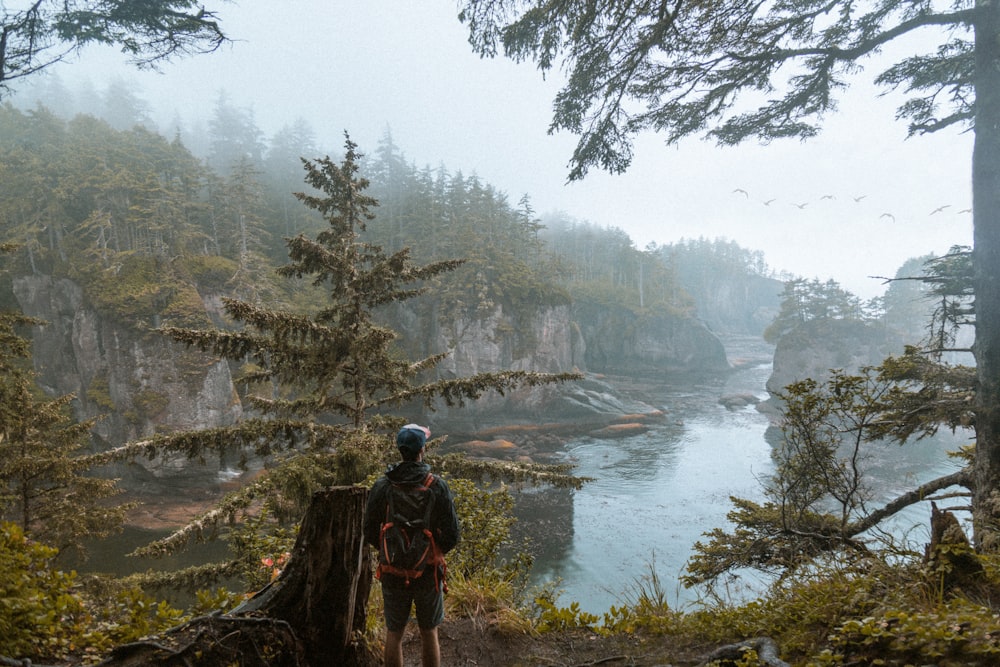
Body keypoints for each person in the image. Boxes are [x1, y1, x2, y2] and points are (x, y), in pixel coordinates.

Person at [363, 424, 460, 667]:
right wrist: (431, 550)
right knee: (429, 631)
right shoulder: (436, 486)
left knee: (394, 633)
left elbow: (368, 530)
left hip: (392, 569)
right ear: (422, 450)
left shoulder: (383, 486)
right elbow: (452, 535)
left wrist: (391, 550)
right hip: (427, 571)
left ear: (400, 450)